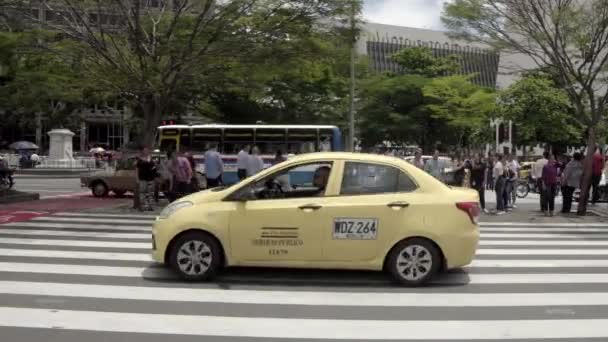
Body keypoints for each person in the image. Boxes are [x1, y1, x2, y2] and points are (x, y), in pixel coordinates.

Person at [136, 147, 157, 211]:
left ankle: (150, 206)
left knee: (151, 192)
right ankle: (142, 206)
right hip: (142, 178)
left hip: (150, 178)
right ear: (143, 151)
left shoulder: (151, 159)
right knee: (142, 192)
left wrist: (154, 176)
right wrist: (137, 178)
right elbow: (137, 169)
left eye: (147, 150)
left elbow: (154, 168)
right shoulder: (139, 160)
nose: (146, 151)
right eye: (145, 150)